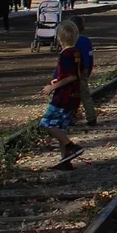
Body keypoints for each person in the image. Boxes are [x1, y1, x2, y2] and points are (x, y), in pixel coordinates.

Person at [37, 21, 85, 167]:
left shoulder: (65, 55)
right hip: (74, 95)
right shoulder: (76, 52)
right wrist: (58, 80)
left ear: (59, 38)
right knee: (60, 128)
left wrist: (53, 87)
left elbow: (71, 76)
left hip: (63, 96)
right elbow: (80, 72)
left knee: (46, 123)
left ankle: (71, 146)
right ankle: (65, 161)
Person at [71, 15, 98, 126]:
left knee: (71, 94)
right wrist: (87, 70)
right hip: (84, 70)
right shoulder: (86, 41)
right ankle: (91, 116)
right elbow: (89, 58)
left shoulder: (72, 42)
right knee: (85, 94)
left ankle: (71, 115)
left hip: (73, 71)